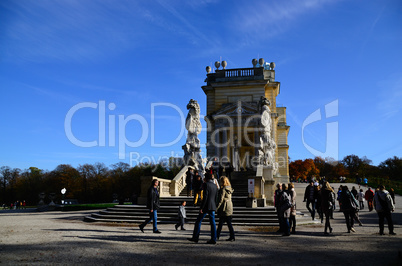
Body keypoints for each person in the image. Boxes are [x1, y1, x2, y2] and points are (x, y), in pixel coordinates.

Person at [188, 173, 219, 244]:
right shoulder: (215, 185)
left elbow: (205, 197)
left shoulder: (205, 184)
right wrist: (215, 206)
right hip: (212, 206)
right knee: (213, 223)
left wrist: (201, 207)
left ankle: (195, 237)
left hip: (206, 206)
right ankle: (214, 239)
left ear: (206, 178)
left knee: (198, 221)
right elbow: (216, 197)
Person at [216, 176, 235, 241]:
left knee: (221, 223)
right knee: (229, 223)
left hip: (224, 207)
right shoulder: (230, 188)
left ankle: (217, 236)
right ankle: (232, 236)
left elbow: (220, 200)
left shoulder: (223, 189)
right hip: (229, 206)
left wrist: (217, 207)